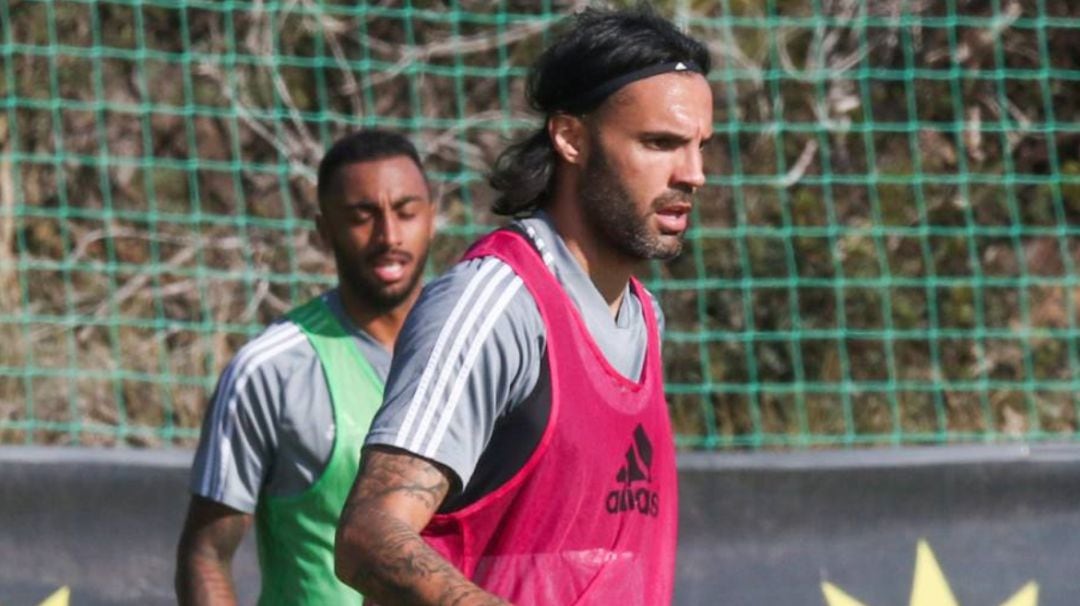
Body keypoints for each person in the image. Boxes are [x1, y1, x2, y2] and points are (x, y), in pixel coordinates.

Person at [334, 6, 713, 606]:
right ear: (571, 138)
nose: (693, 174)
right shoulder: (495, 303)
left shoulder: (646, 317)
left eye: (699, 146)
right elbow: (368, 533)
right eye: (660, 143)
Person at [175, 129, 438, 605]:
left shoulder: (481, 350)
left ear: (432, 217)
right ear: (323, 231)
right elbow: (207, 555)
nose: (389, 236)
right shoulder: (271, 371)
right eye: (362, 217)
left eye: (405, 212)